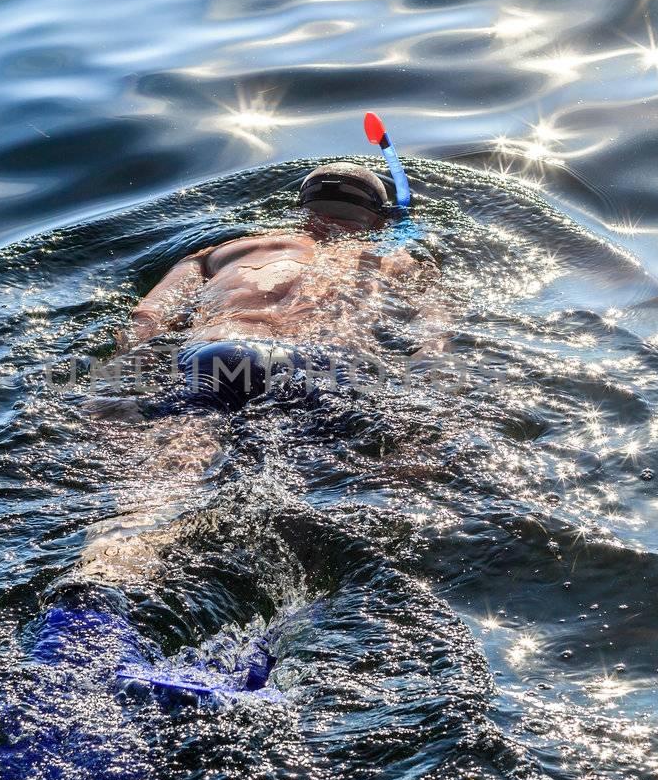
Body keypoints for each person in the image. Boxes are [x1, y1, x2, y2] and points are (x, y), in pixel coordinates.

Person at [73, 162, 422, 593]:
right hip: (321, 365)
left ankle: (108, 577)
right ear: (378, 219)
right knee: (321, 495)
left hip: (223, 352)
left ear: (301, 210)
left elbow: (146, 320)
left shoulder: (225, 251)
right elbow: (434, 342)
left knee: (170, 475)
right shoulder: (396, 261)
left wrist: (115, 388)